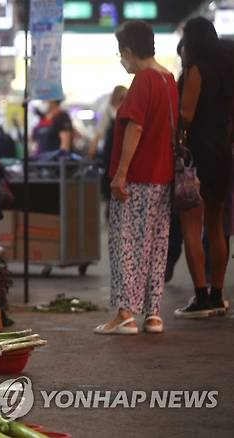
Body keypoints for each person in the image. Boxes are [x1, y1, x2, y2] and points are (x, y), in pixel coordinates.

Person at [94, 21, 177, 335]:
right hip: (163, 178)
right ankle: (153, 314)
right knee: (155, 245)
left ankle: (125, 314)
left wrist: (121, 174)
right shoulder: (169, 79)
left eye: (120, 53)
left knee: (125, 244)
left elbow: (136, 127)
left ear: (128, 51)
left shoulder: (143, 80)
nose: (121, 59)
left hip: (137, 177)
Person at [174, 18, 234, 318]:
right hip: (222, 152)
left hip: (197, 155)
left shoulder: (196, 70)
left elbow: (185, 115)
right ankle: (218, 294)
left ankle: (200, 297)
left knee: (191, 226)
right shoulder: (226, 71)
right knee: (217, 225)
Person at [89, 86, 128, 201]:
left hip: (114, 156)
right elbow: (98, 134)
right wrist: (91, 154)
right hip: (111, 157)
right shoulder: (108, 112)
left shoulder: (116, 111)